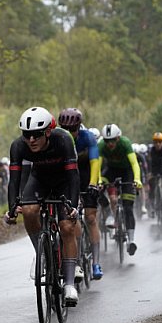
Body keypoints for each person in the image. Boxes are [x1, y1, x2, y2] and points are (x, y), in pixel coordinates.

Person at [3, 106, 81, 306]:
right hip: (40, 180)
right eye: (27, 135)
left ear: (47, 132)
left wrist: (73, 205)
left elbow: (73, 175)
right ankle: (43, 252)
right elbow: (14, 180)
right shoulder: (18, 146)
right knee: (29, 210)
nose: (31, 140)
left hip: (64, 181)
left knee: (67, 227)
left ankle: (70, 284)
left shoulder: (63, 139)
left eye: (36, 135)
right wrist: (12, 208)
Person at [58, 108, 103, 280]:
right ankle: (73, 260)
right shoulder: (58, 138)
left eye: (73, 130)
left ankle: (96, 263)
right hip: (68, 180)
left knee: (91, 219)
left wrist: (93, 183)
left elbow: (95, 162)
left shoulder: (88, 138)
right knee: (71, 219)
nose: (69, 133)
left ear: (79, 128)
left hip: (85, 177)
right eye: (66, 129)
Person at [98, 123, 143, 255]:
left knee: (128, 207)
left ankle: (131, 240)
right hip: (111, 170)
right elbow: (98, 165)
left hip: (127, 171)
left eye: (112, 140)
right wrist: (99, 180)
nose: (110, 144)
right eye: (107, 141)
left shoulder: (125, 143)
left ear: (118, 138)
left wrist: (137, 179)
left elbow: (134, 163)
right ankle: (109, 213)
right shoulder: (101, 145)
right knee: (96, 188)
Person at [146, 132, 162, 216]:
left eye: (160, 142)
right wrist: (149, 173)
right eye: (156, 142)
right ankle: (152, 205)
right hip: (153, 168)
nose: (158, 144)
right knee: (152, 185)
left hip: (161, 168)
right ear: (153, 143)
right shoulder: (151, 150)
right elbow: (149, 162)